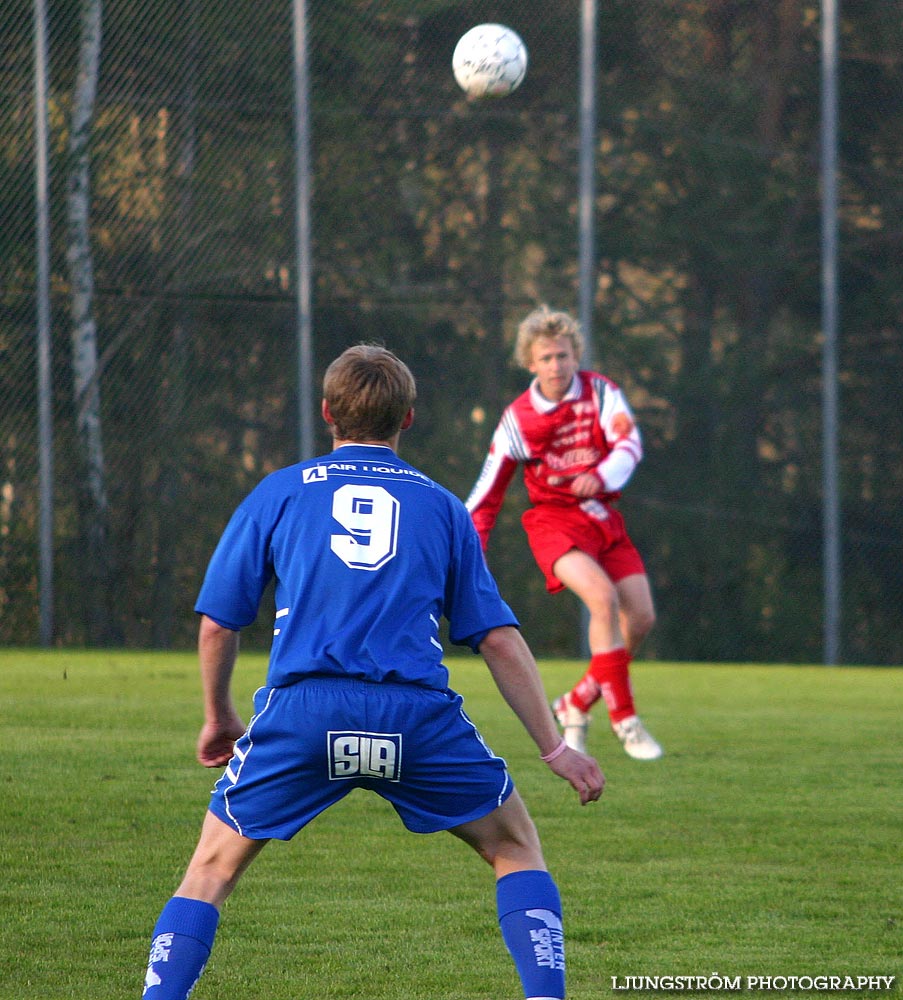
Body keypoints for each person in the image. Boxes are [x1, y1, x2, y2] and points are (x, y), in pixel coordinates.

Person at [140, 344, 604, 1000]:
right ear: (407, 419)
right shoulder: (442, 507)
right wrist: (554, 748)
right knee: (515, 848)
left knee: (209, 871)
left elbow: (219, 622)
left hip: (303, 716)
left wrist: (220, 718)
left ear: (327, 413)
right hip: (416, 720)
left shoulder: (277, 492)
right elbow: (496, 640)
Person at [465, 306, 663, 761]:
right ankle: (625, 719)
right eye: (547, 358)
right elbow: (486, 493)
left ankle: (575, 703)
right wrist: (468, 553)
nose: (556, 365)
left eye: (563, 356)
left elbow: (629, 443)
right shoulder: (518, 419)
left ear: (577, 356)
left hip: (602, 518)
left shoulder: (600, 392)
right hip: (553, 522)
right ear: (530, 363)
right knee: (602, 598)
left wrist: (604, 474)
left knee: (643, 619)